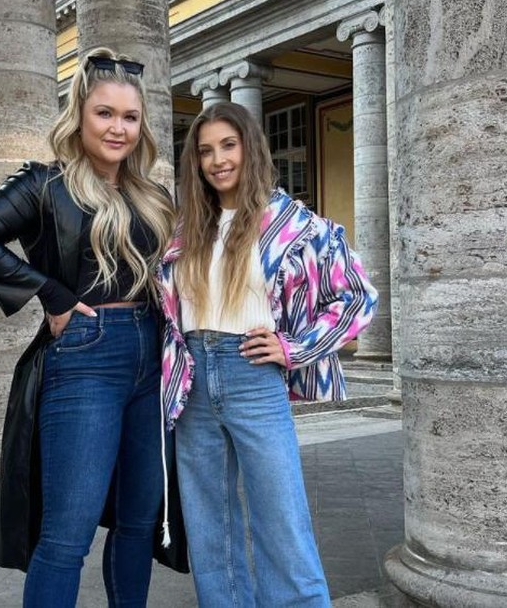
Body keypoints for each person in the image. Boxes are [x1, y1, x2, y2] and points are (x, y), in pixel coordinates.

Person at [0, 47, 180, 607]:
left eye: (130, 116)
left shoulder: (153, 195)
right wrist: (51, 292)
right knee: (67, 533)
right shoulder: (45, 185)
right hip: (85, 354)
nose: (118, 128)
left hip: (156, 355)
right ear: (78, 115)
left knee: (138, 521)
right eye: (105, 113)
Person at [158, 102, 379, 607]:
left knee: (281, 522)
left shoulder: (291, 222)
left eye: (228, 146)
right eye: (206, 151)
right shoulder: (186, 226)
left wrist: (295, 348)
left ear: (250, 147)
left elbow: (358, 296)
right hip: (193, 382)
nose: (217, 160)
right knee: (211, 528)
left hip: (253, 375)